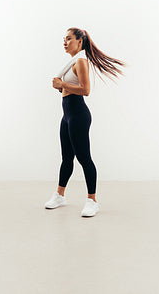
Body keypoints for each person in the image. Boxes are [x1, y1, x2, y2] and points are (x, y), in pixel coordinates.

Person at [44, 27, 126, 217]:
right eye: (64, 39)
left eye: (69, 39)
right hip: (67, 115)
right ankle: (60, 195)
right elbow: (69, 89)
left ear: (80, 42)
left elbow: (86, 90)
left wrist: (62, 84)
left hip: (79, 115)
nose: (65, 42)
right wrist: (62, 87)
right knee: (66, 158)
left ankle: (92, 201)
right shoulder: (73, 61)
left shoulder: (81, 61)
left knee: (84, 158)